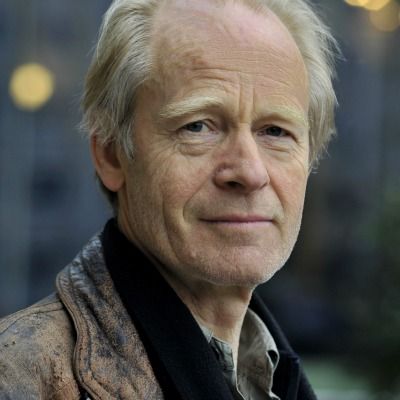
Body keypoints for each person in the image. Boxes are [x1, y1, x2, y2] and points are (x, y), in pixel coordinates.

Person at [0, 0, 338, 398]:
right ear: (111, 154)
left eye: (276, 132)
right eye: (198, 127)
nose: (250, 172)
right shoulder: (16, 378)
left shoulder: (275, 377)